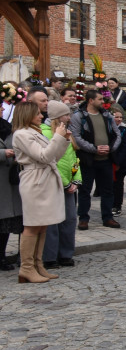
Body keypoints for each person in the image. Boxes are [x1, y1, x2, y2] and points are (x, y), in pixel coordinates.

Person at [10, 101, 71, 283]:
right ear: (27, 114)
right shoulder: (21, 134)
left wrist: (63, 140)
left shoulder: (35, 132)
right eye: (37, 113)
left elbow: (53, 157)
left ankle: (38, 264)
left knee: (43, 224)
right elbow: (43, 156)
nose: (41, 116)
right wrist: (57, 138)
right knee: (32, 224)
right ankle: (26, 268)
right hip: (35, 180)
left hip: (45, 178)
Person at [69, 89, 122, 230]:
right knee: (85, 190)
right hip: (88, 160)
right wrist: (94, 148)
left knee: (108, 190)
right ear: (91, 100)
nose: (102, 102)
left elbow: (117, 134)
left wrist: (110, 148)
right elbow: (76, 138)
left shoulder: (107, 115)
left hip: (106, 159)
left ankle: (108, 217)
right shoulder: (79, 116)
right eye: (99, 99)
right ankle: (83, 218)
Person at [39, 102, 82, 270]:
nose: (69, 118)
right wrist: (65, 182)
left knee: (69, 219)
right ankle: (49, 257)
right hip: (53, 182)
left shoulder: (67, 133)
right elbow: (50, 160)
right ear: (57, 116)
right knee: (52, 222)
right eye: (65, 115)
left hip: (69, 183)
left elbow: (74, 159)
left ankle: (66, 254)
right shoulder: (45, 133)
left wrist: (76, 179)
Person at [0, 115, 23, 271]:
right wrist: (2, 154)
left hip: (10, 183)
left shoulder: (8, 128)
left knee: (6, 223)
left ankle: (2, 256)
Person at [110, 110, 126, 217]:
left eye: (121, 117)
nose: (119, 119)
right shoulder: (108, 129)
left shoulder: (125, 130)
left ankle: (117, 205)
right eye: (116, 117)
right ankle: (109, 204)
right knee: (108, 185)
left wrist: (117, 162)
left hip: (120, 163)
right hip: (108, 162)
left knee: (118, 185)